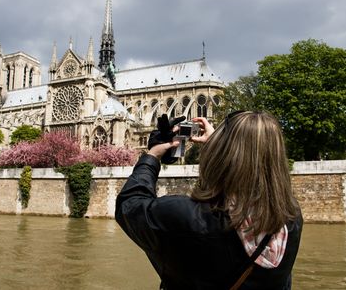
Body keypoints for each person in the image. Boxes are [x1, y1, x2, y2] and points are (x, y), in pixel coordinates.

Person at [115, 111, 303, 290]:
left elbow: (129, 205)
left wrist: (152, 155)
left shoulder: (185, 216)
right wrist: (219, 145)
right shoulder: (290, 218)